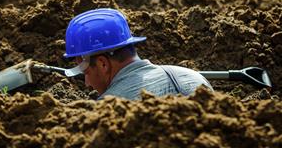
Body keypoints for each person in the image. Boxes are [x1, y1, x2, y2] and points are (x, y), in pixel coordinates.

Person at [63, 8, 213, 100]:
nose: (87, 83)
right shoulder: (194, 78)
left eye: (86, 72)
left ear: (103, 64)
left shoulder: (109, 111)